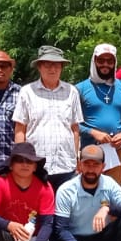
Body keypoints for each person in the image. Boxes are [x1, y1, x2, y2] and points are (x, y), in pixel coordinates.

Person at [14, 45, 84, 189]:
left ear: (62, 67)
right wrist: (20, 159)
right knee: (37, 210)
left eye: (56, 65)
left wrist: (75, 157)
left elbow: (75, 128)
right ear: (39, 66)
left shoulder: (72, 92)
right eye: (47, 64)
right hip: (36, 164)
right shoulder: (27, 92)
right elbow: (20, 128)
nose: (52, 69)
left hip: (65, 164)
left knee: (64, 208)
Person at [76, 43, 121, 185]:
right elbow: (73, 123)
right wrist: (93, 132)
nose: (105, 64)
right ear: (94, 61)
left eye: (110, 61)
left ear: (115, 63)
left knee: (112, 193)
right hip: (90, 150)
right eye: (101, 61)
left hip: (115, 150)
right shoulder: (80, 89)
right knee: (89, 190)